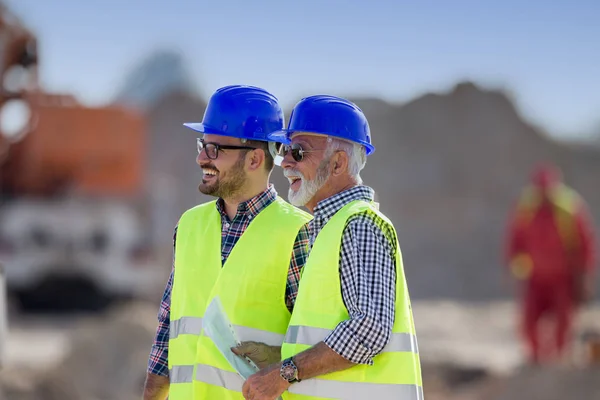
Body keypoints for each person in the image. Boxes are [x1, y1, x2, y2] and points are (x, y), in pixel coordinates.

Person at [232, 95, 423, 400]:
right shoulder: (326, 230)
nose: (285, 163)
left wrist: (284, 373)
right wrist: (279, 358)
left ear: (338, 163)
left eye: (298, 151)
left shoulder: (360, 224)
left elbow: (369, 330)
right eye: (284, 150)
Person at [143, 85, 312, 400]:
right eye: (201, 145)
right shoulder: (189, 225)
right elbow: (168, 328)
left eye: (214, 149)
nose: (200, 158)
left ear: (254, 160)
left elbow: (315, 348)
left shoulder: (299, 233)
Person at [505, 163, 596, 366]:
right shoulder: (525, 210)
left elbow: (585, 244)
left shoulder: (570, 209)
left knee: (564, 321)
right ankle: (536, 359)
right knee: (529, 321)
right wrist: (512, 266)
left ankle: (560, 360)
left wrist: (585, 276)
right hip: (535, 278)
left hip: (562, 279)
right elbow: (514, 241)